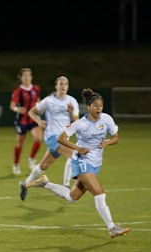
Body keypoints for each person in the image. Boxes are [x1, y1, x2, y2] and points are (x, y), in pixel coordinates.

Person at [32, 88, 130, 239]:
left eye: (101, 105)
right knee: (99, 193)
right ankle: (112, 228)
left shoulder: (106, 119)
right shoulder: (80, 124)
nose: (99, 108)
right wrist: (78, 148)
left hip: (96, 164)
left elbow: (116, 137)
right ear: (89, 107)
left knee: (72, 197)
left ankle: (45, 183)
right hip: (82, 162)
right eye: (95, 105)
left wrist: (107, 142)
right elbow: (61, 138)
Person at [19, 76, 79, 201]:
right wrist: (39, 122)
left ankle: (25, 184)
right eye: (61, 84)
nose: (63, 86)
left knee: (44, 165)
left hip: (64, 138)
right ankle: (66, 185)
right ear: (56, 86)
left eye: (65, 84)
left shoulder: (72, 101)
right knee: (74, 155)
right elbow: (31, 112)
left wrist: (71, 112)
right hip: (52, 137)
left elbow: (76, 121)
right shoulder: (49, 101)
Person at [10, 67, 42, 175]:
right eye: (25, 76)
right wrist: (17, 109)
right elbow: (12, 105)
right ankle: (16, 164)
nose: (27, 78)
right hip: (22, 121)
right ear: (20, 78)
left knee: (38, 139)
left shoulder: (36, 89)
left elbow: (38, 101)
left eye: (29, 75)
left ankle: (32, 158)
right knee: (20, 144)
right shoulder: (18, 91)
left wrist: (40, 107)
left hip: (33, 119)